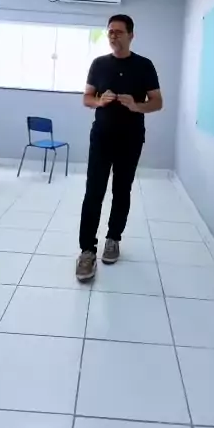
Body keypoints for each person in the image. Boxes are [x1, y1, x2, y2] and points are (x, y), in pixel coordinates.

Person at [76, 14, 163, 281]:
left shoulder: (144, 65)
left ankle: (113, 239)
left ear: (131, 35)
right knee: (94, 192)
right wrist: (99, 101)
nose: (113, 36)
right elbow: (86, 98)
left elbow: (157, 102)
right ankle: (87, 251)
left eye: (119, 32)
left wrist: (136, 106)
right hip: (101, 137)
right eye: (110, 32)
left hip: (131, 138)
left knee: (121, 190)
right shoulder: (99, 64)